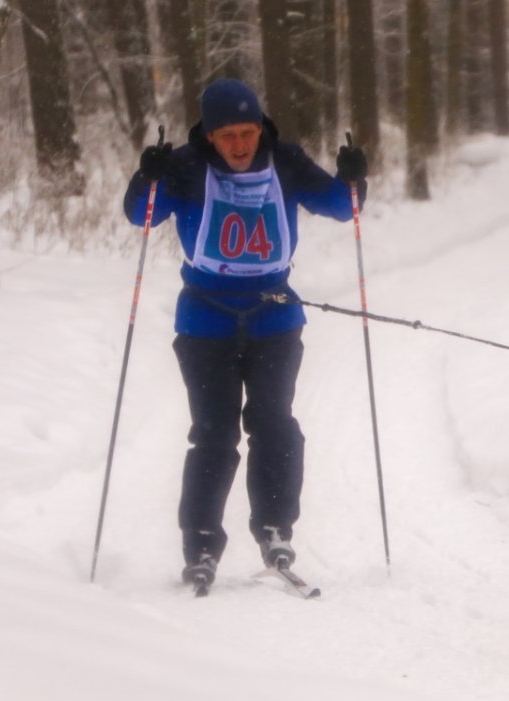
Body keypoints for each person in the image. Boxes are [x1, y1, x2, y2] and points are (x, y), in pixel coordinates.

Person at [123, 78, 368, 589]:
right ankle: (202, 545)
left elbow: (343, 207)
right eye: (228, 134)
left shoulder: (286, 161)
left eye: (248, 131)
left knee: (275, 423)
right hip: (204, 320)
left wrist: (353, 179)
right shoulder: (188, 167)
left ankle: (276, 528)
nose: (240, 144)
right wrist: (146, 177)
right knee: (214, 434)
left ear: (261, 128)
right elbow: (140, 215)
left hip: (273, 318)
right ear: (209, 136)